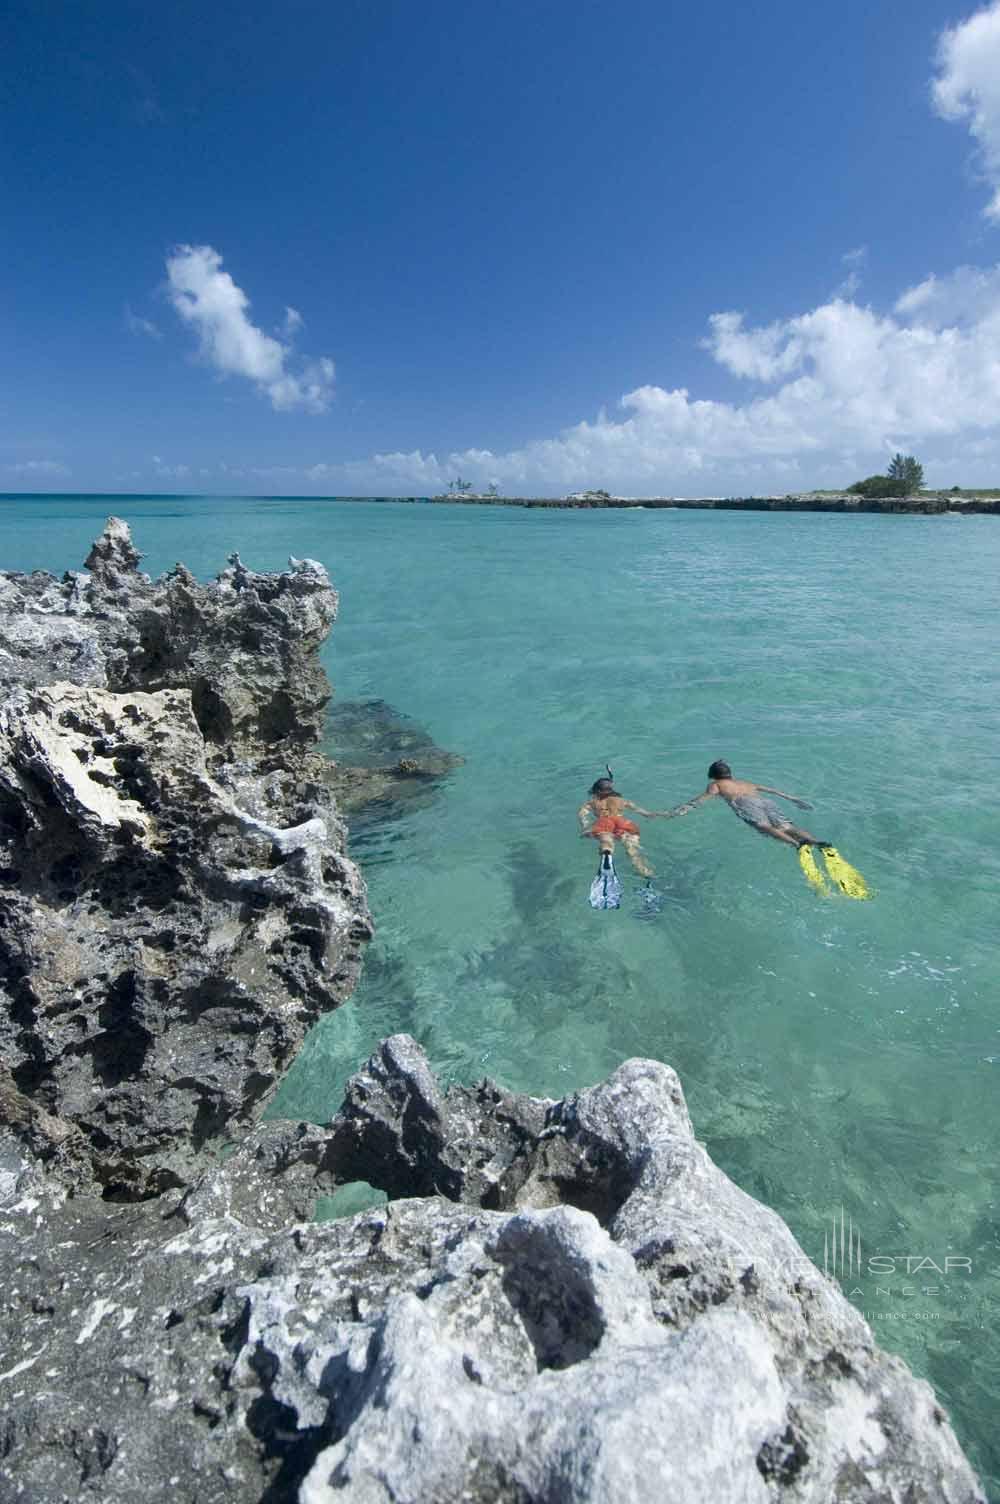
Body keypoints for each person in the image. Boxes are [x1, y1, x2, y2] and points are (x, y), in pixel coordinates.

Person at [662, 759, 828, 848]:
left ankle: (796, 844)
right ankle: (815, 842)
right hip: (765, 801)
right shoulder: (744, 783)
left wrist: (681, 810)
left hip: (745, 803)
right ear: (729, 774)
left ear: (712, 775)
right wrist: (794, 799)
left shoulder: (716, 784)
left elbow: (704, 798)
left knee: (763, 826)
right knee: (787, 827)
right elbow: (772, 790)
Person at [578, 774, 658, 877]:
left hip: (604, 822)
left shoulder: (591, 803)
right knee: (631, 848)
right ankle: (644, 871)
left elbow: (582, 814)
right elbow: (645, 813)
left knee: (606, 840)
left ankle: (607, 853)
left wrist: (585, 827)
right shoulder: (622, 800)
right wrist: (662, 814)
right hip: (623, 823)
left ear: (597, 791)